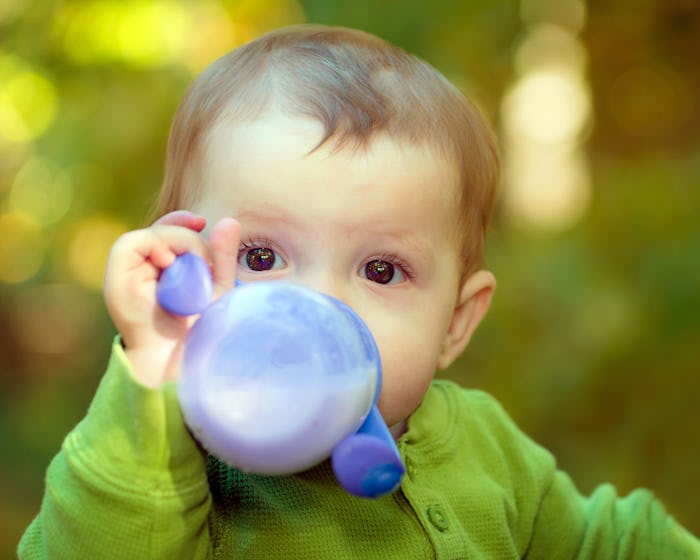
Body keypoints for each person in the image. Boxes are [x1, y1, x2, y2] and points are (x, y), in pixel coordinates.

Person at [18, 24, 699, 559]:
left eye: (380, 270)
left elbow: (607, 543)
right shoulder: (176, 468)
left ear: (455, 325)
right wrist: (152, 379)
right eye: (260, 255)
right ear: (180, 272)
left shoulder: (488, 449)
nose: (315, 306)